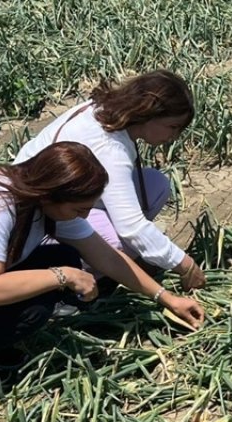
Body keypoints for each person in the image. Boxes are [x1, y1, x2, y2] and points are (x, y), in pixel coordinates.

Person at [0, 141, 206, 395]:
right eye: (80, 208)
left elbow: (106, 257)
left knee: (64, 261)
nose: (86, 216)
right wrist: (62, 277)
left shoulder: (41, 201)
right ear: (51, 194)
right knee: (38, 300)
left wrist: (166, 298)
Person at [13, 69, 206, 294]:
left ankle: (124, 262)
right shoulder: (110, 148)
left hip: (67, 198)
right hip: (38, 222)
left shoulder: (103, 110)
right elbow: (132, 227)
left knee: (155, 184)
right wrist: (185, 266)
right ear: (149, 113)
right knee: (112, 242)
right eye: (172, 127)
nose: (173, 137)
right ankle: (65, 287)